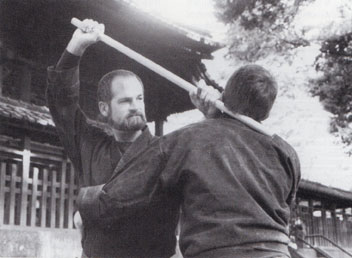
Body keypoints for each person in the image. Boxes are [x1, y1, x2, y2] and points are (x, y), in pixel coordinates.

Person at [78, 64, 301, 258]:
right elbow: (285, 208)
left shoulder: (187, 138)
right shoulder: (287, 153)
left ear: (225, 97)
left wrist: (85, 204)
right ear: (267, 112)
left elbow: (120, 194)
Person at [47, 19, 211, 258]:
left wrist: (211, 118)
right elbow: (62, 103)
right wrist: (77, 45)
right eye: (125, 101)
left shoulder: (168, 150)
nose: (135, 106)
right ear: (104, 109)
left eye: (139, 98)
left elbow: (212, 171)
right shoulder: (90, 146)